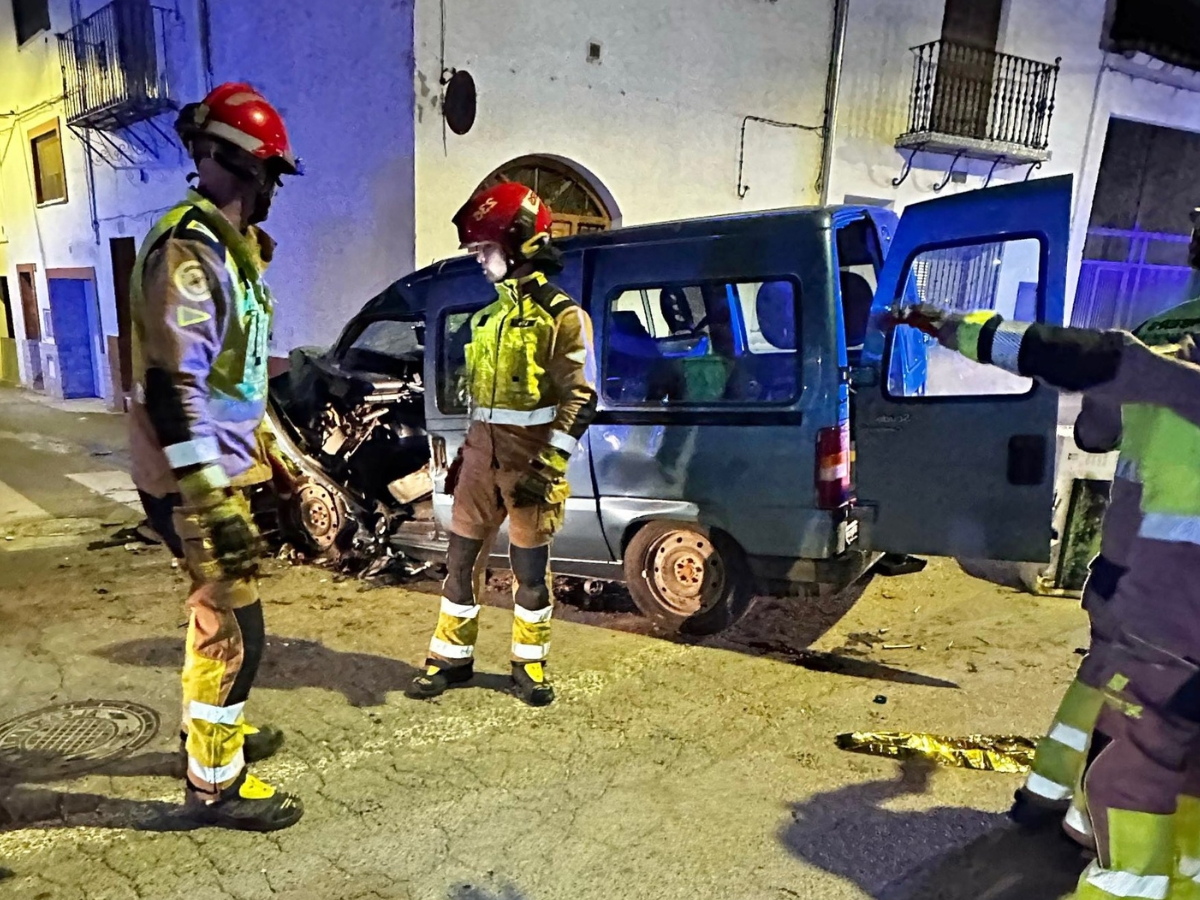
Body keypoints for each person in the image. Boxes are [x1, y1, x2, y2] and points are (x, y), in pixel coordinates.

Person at [890, 302, 1200, 900]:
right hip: (1155, 608)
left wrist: (955, 328)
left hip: (1169, 622)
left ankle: (1118, 874)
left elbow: (1098, 379)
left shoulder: (1169, 364)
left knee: (1133, 778)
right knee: (1173, 771)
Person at [127, 81, 303, 831]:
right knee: (234, 632)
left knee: (220, 622)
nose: (271, 189)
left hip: (221, 471)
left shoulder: (233, 256)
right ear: (228, 162)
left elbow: (231, 378)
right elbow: (174, 390)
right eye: (267, 171)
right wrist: (211, 498)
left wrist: (269, 454)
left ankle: (212, 736)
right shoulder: (193, 255)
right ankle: (215, 784)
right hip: (195, 481)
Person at [408, 183, 597, 706]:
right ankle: (450, 659)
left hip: (529, 465)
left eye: (483, 248)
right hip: (479, 461)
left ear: (518, 243)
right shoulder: (486, 318)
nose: (477, 258)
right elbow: (479, 403)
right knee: (459, 563)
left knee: (530, 573)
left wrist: (550, 465)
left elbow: (581, 399)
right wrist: (467, 455)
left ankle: (529, 665)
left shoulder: (563, 317)